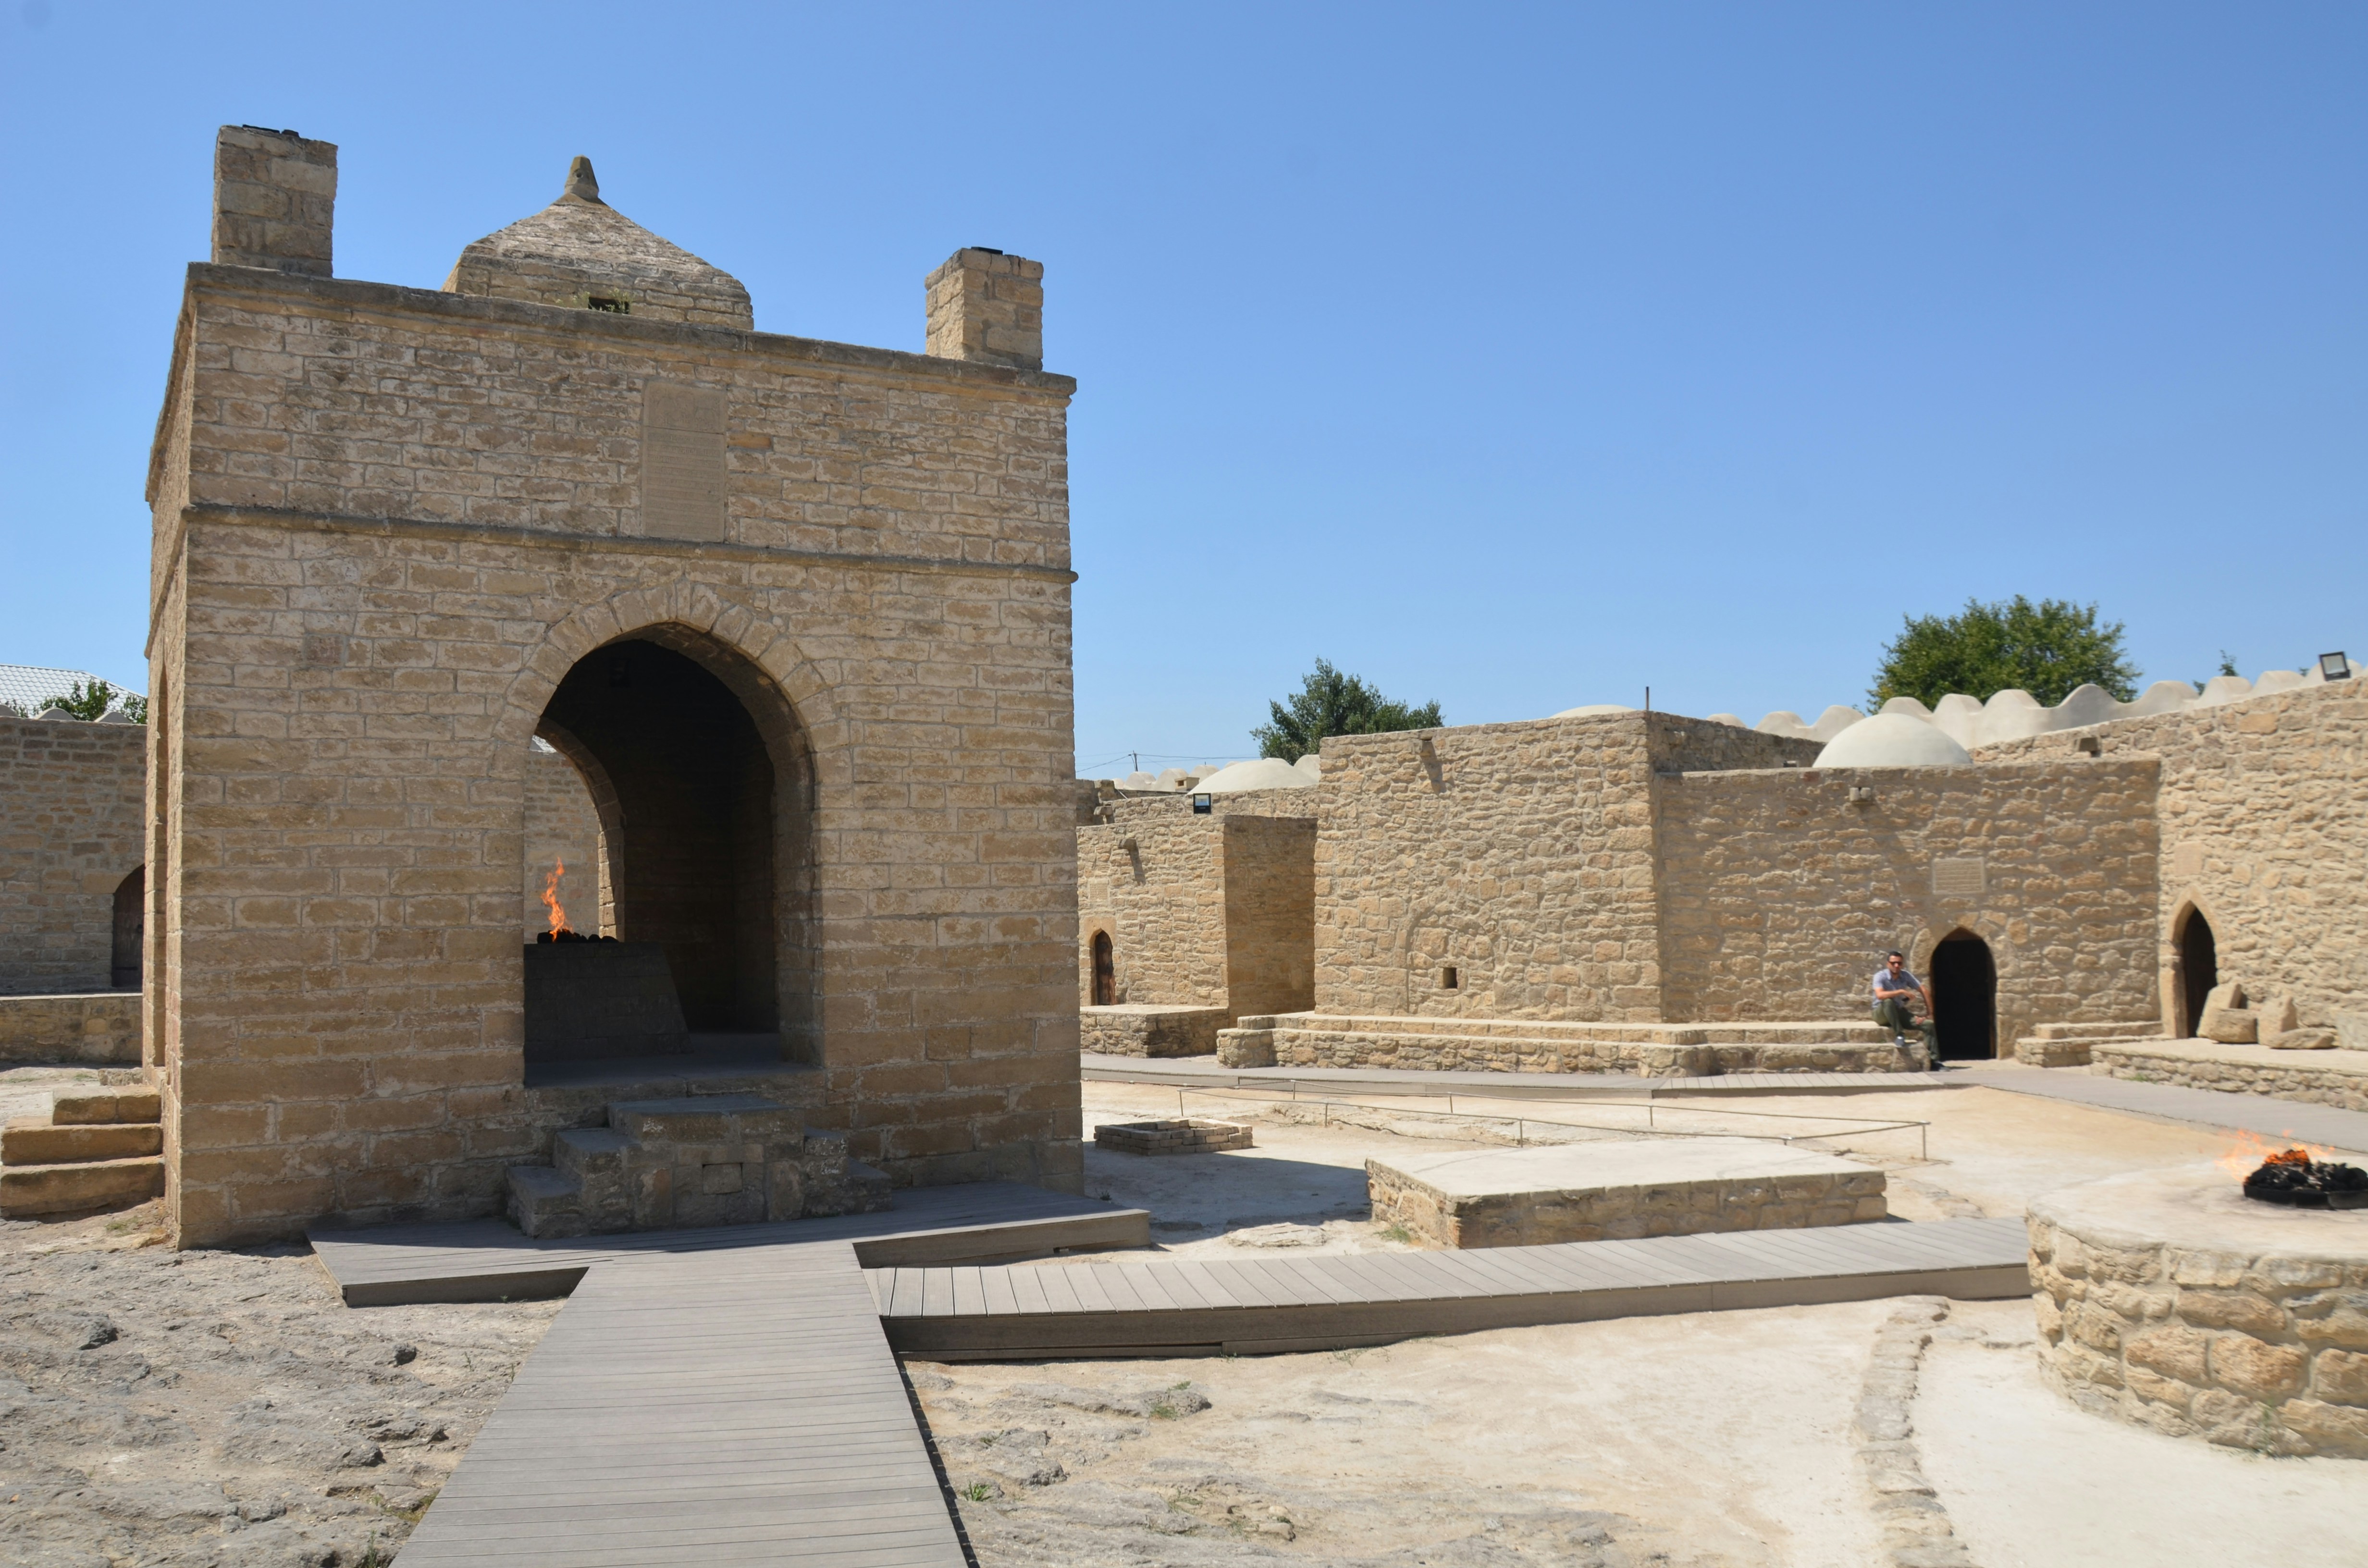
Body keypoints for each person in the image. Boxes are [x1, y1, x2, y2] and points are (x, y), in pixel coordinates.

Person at [1872, 950, 1938, 1062]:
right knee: (1888, 1001)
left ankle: (1934, 1061)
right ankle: (1900, 1035)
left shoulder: (1905, 976)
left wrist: (1930, 1014)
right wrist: (1900, 992)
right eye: (1893, 963)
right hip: (1881, 1013)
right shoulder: (1880, 976)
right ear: (1888, 964)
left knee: (1929, 1025)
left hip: (1898, 1012)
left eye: (1899, 963)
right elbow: (1880, 995)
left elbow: (1924, 990)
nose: (1896, 966)